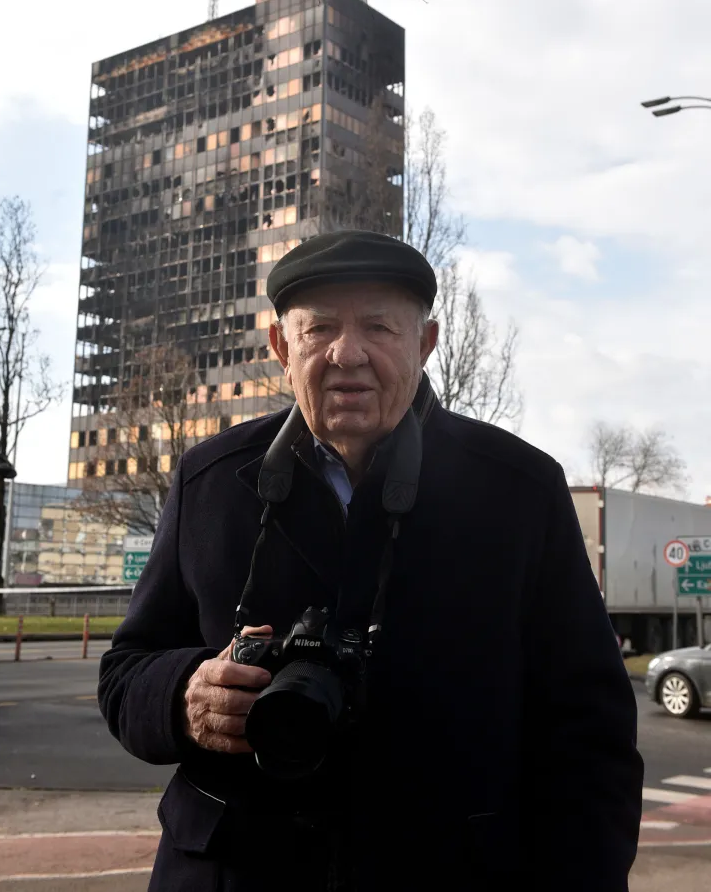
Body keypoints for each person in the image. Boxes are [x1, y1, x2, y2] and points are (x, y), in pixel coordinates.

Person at [98, 230, 643, 892]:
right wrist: (185, 694)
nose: (346, 353)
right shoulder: (209, 481)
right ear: (280, 347)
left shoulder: (520, 490)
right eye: (318, 328)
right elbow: (126, 673)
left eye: (379, 327)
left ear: (426, 343)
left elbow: (591, 738)